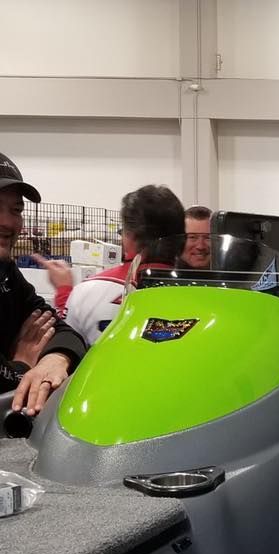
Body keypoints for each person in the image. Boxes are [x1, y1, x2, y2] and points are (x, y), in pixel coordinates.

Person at [0, 152, 86, 415]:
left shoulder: (6, 273)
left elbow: (60, 329)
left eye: (16, 210)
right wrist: (22, 366)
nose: (7, 222)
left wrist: (55, 358)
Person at [65, 185, 185, 345]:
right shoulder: (200, 295)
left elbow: (66, 351)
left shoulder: (86, 292)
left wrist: (63, 291)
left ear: (130, 234)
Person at [180, 205, 211, 270]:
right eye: (192, 237)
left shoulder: (230, 273)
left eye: (207, 238)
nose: (201, 246)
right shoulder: (163, 273)